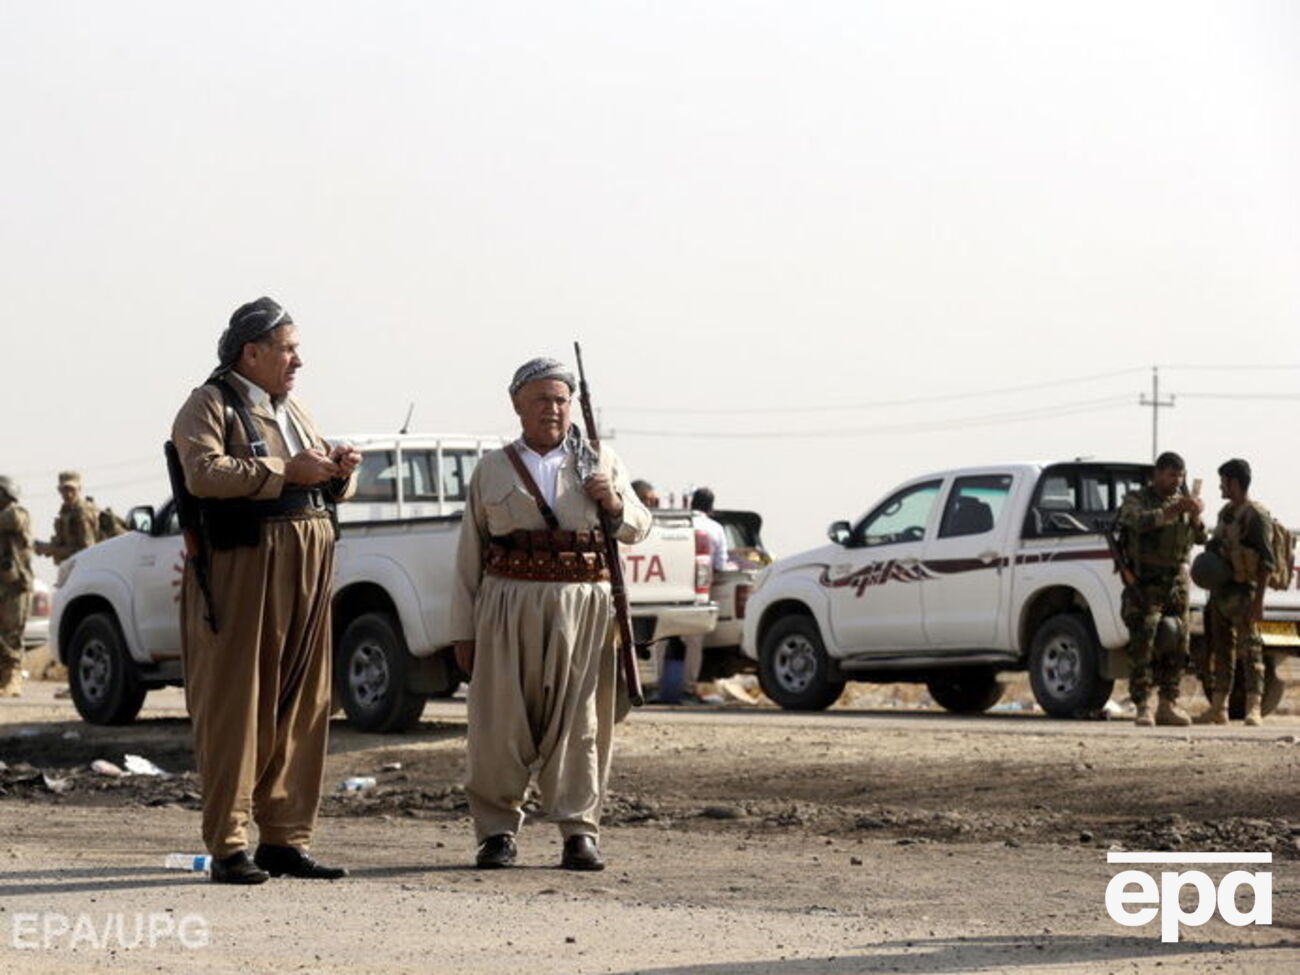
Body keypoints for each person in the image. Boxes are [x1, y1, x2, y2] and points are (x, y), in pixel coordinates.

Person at [171, 297, 360, 884]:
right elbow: (204, 473)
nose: (297, 360)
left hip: (309, 562)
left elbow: (320, 480)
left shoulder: (291, 408)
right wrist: (284, 473)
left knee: (306, 701)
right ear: (251, 353)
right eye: (287, 348)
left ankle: (285, 838)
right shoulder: (210, 404)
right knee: (239, 702)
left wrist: (338, 469)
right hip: (247, 566)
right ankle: (229, 845)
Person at [452, 356, 652, 871]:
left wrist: (613, 504)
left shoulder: (600, 460)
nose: (553, 409)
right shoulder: (492, 468)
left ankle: (579, 832)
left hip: (583, 609)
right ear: (517, 405)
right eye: (541, 399)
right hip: (506, 605)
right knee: (499, 724)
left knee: (580, 724)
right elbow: (469, 555)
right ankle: (496, 833)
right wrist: (463, 631)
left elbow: (638, 525)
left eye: (561, 399)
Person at [1116, 452, 1205, 727]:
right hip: (1146, 581)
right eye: (1171, 475)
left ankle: (1168, 703)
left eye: (1180, 476)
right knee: (1144, 642)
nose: (1176, 481)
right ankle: (1142, 705)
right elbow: (1136, 522)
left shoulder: (1182, 502)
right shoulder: (1137, 499)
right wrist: (1173, 511)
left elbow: (1200, 537)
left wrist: (1196, 515)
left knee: (1179, 641)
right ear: (1157, 474)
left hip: (1176, 581)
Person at [1198, 458, 1274, 726]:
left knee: (1250, 651)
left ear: (1234, 482)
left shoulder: (1255, 516)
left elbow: (1267, 562)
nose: (1220, 486)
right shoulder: (1225, 514)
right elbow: (1216, 546)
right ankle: (1219, 708)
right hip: (1221, 594)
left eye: (1223, 481)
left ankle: (1254, 708)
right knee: (1221, 652)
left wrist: (1259, 602)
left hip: (1245, 594)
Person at [656, 487, 730, 705]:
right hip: (698, 595)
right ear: (711, 507)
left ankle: (650, 688)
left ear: (691, 504)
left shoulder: (674, 524)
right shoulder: (715, 529)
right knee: (694, 643)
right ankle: (688, 690)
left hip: (667, 592)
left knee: (658, 641)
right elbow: (721, 565)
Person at [0, 476, 34, 698]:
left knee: (12, 633)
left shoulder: (17, 513)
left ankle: (13, 679)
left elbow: (11, 520)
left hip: (17, 585)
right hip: (4, 583)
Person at [34, 472, 98, 563]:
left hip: (87, 566)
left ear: (79, 489)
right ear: (59, 490)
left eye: (72, 490)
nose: (69, 494)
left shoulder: (82, 512)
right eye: (65, 490)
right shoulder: (66, 512)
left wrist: (51, 549)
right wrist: (45, 548)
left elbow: (87, 552)